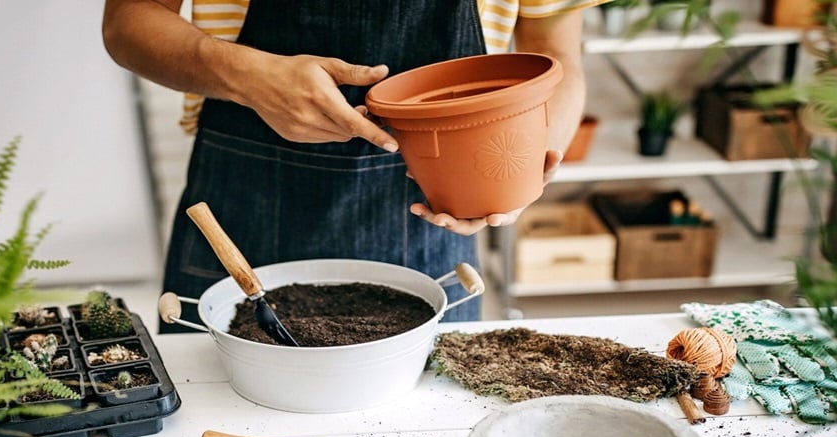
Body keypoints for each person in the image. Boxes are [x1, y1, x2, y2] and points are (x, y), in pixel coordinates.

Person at [102, 0, 601, 329]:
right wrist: (246, 76)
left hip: (426, 208)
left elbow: (554, 53)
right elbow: (128, 23)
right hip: (244, 194)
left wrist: (520, 172)